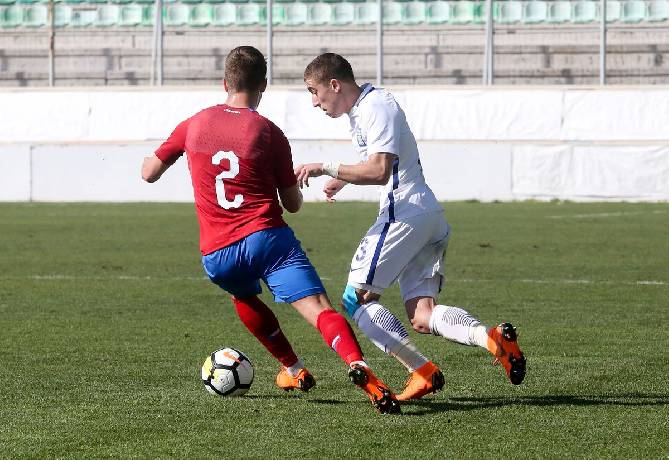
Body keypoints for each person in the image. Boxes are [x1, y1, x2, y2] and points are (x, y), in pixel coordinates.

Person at [140, 46, 400, 414]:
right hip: (267, 239)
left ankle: (293, 369)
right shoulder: (269, 132)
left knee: (243, 297)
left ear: (224, 82)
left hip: (218, 252)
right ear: (263, 84)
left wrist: (151, 159)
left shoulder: (193, 124)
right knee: (319, 308)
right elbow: (292, 204)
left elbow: (149, 173)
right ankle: (357, 364)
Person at [295, 53, 527, 401]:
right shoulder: (364, 111)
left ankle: (422, 371)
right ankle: (492, 338)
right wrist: (344, 181)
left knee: (354, 299)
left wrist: (325, 167)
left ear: (334, 84)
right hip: (425, 214)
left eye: (314, 92)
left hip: (403, 212)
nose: (314, 102)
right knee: (422, 315)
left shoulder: (376, 106)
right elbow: (378, 161)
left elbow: (379, 171)